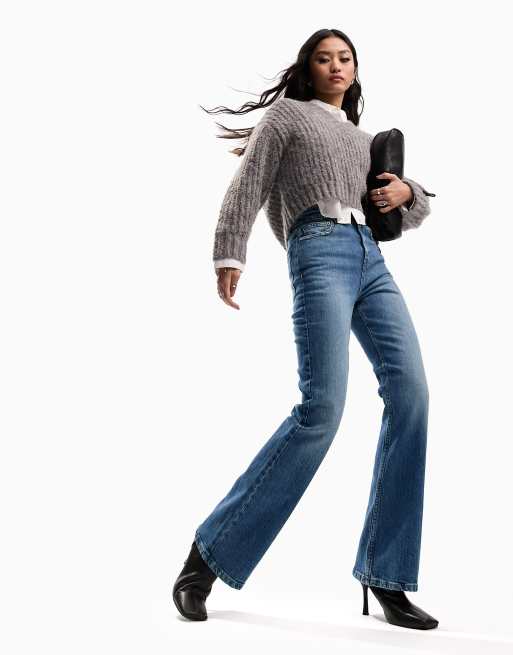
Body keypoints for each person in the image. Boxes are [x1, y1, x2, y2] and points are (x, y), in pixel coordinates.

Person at [172, 28, 439, 630]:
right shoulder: (287, 117)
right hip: (318, 249)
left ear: (355, 70)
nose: (336, 66)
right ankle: (206, 558)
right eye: (324, 58)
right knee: (322, 409)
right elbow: (248, 183)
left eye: (345, 58)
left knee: (413, 396)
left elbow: (411, 209)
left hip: (372, 259)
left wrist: (409, 191)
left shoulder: (367, 141)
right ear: (308, 68)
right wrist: (229, 251)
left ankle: (387, 574)